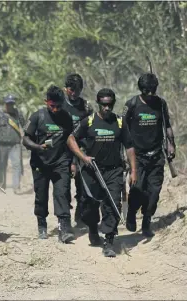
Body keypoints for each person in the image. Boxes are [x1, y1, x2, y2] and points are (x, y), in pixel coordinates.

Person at [67, 88, 137, 257]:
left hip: (114, 171)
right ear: (98, 104)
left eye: (110, 104)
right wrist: (83, 157)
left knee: (112, 204)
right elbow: (70, 139)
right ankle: (92, 227)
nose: (107, 108)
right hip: (91, 171)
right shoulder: (88, 122)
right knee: (88, 206)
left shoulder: (120, 122)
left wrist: (134, 170)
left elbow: (129, 147)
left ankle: (109, 240)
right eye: (104, 105)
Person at [123, 73, 176, 237]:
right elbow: (122, 130)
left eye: (153, 90)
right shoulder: (131, 104)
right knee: (137, 189)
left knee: (153, 192)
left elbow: (167, 125)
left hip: (157, 155)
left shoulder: (160, 104)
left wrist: (171, 144)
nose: (151, 94)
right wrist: (123, 153)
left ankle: (147, 223)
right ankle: (131, 213)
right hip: (137, 156)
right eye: (148, 91)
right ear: (142, 90)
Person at [22, 85, 74, 243]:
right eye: (53, 106)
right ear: (46, 102)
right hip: (40, 163)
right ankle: (42, 225)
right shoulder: (37, 116)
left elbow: (71, 141)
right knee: (41, 195)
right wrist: (37, 147)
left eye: (59, 106)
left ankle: (63, 229)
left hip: (61, 162)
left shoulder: (66, 117)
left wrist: (73, 163)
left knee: (62, 194)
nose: (56, 109)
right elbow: (25, 139)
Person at [62, 73, 94, 226]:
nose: (74, 93)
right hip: (62, 152)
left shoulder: (86, 107)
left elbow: (92, 128)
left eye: (78, 90)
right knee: (63, 187)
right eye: (71, 90)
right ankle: (65, 217)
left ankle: (80, 216)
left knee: (82, 186)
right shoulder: (59, 104)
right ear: (65, 89)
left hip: (81, 151)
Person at [0, 94, 26, 194]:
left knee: (17, 165)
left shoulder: (18, 113)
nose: (10, 106)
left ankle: (16, 187)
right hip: (1, 145)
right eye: (8, 104)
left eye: (12, 104)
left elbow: (24, 125)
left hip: (15, 144)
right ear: (5, 103)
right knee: (2, 165)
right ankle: (2, 183)